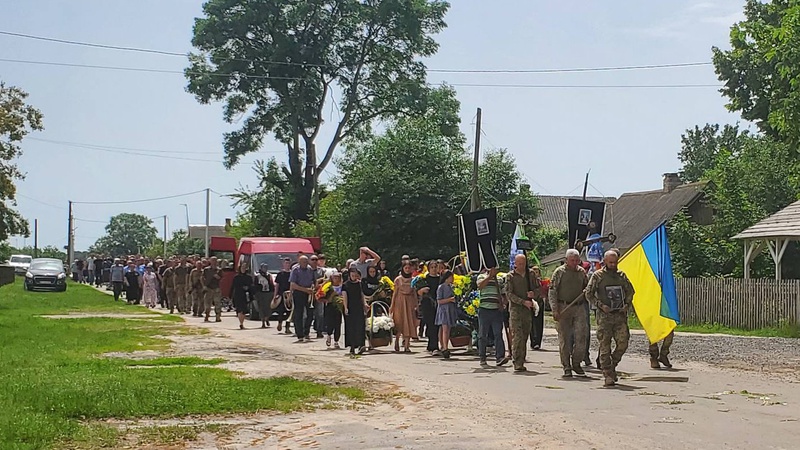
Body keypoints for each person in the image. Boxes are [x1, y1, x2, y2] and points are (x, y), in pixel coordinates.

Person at [585, 250, 635, 387]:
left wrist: (627, 304)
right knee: (604, 346)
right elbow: (588, 294)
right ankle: (607, 373)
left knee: (623, 343)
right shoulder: (598, 276)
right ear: (605, 261)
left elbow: (630, 291)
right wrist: (600, 305)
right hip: (604, 316)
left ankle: (613, 365)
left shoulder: (621, 276)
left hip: (619, 316)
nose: (613, 264)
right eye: (610, 262)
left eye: (615, 262)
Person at [549, 249, 589, 378]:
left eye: (577, 260)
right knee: (565, 338)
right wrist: (555, 309)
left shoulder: (582, 272)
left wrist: (587, 291)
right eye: (572, 260)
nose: (575, 263)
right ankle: (566, 366)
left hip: (578, 307)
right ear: (566, 260)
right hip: (563, 307)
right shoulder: (559, 272)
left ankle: (576, 363)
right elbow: (552, 291)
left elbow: (588, 289)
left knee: (581, 336)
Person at [505, 254, 540, 372]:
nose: (521, 266)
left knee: (525, 335)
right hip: (516, 309)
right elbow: (509, 294)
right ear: (515, 263)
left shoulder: (531, 275)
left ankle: (522, 359)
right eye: (519, 264)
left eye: (523, 264)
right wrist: (522, 302)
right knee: (517, 336)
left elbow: (538, 288)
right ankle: (517, 361)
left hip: (527, 310)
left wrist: (533, 294)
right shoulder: (510, 276)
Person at [476, 267, 509, 366]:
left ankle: (500, 357)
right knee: (483, 335)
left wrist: (504, 302)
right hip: (484, 309)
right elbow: (480, 286)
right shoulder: (481, 276)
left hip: (496, 310)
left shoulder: (499, 279)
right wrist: (490, 277)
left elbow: (503, 294)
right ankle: (482, 357)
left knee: (498, 334)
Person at [391, 262, 419, 353]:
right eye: (405, 268)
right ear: (403, 269)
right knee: (399, 322)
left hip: (409, 302)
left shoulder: (413, 280)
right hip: (400, 302)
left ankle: (407, 345)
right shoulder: (398, 280)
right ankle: (397, 341)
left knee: (409, 322)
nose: (407, 270)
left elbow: (415, 293)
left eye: (408, 268)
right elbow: (394, 293)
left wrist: (416, 304)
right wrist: (392, 305)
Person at [289, 255, 316, 342]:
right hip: (299, 292)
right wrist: (305, 290)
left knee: (310, 313)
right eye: (303, 262)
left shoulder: (310, 269)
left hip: (309, 293)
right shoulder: (295, 270)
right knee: (298, 314)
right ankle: (299, 334)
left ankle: (306, 332)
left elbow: (313, 281)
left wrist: (313, 288)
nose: (305, 263)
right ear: (299, 262)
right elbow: (293, 285)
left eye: (306, 261)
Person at [418, 260, 442, 355]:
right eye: (431, 267)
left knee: (436, 325)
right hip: (427, 304)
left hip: (438, 303)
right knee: (430, 324)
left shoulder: (440, 279)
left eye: (435, 267)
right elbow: (418, 291)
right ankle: (433, 346)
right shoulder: (425, 278)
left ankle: (433, 345)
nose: (434, 269)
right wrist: (422, 290)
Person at [343, 266, 368, 355]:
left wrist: (364, 304)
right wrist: (345, 307)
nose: (354, 277)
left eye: (355, 275)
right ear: (349, 275)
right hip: (350, 307)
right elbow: (344, 296)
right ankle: (352, 346)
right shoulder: (345, 285)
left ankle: (361, 345)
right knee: (351, 327)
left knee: (360, 326)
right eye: (352, 275)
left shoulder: (359, 284)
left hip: (358, 307)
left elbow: (362, 294)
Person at [435, 270, 457, 359]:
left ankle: (445, 345)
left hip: (450, 309)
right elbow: (439, 301)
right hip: (444, 309)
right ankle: (444, 347)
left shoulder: (451, 287)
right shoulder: (441, 287)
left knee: (448, 328)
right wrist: (450, 300)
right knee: (444, 328)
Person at [323, 271, 344, 349]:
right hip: (330, 306)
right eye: (334, 277)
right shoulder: (328, 287)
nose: (336, 279)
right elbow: (326, 299)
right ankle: (329, 335)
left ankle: (336, 341)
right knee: (330, 323)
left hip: (338, 307)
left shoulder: (342, 287)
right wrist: (332, 295)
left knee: (338, 324)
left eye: (338, 277)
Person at [232, 263, 254, 330]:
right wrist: (230, 296)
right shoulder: (236, 277)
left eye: (245, 267)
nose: (243, 269)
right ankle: (241, 323)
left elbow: (251, 286)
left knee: (244, 310)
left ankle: (242, 322)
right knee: (239, 309)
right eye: (242, 267)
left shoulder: (249, 277)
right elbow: (234, 287)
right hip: (238, 295)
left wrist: (249, 290)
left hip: (246, 295)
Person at [273, 258, 292, 334]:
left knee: (289, 312)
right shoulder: (280, 274)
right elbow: (277, 285)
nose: (287, 265)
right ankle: (280, 323)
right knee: (280, 311)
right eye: (286, 263)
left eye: (288, 263)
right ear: (283, 264)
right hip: (281, 294)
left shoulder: (292, 273)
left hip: (289, 295)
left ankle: (287, 328)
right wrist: (275, 295)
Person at [202, 256, 224, 323]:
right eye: (212, 260)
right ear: (210, 261)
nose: (214, 262)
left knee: (217, 303)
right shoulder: (206, 270)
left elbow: (221, 278)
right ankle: (207, 316)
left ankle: (218, 317)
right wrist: (204, 286)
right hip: (208, 288)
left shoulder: (219, 270)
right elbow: (202, 278)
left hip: (216, 288)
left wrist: (218, 277)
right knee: (207, 303)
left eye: (215, 260)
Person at [254, 263, 275, 329]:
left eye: (266, 267)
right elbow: (255, 285)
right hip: (261, 293)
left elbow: (272, 284)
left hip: (268, 293)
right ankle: (263, 321)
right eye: (264, 267)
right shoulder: (258, 276)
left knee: (269, 307)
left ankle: (267, 318)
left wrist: (273, 292)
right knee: (261, 308)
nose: (265, 269)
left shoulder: (269, 275)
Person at [529, 266, 545, 351]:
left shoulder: (541, 281)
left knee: (539, 322)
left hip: (540, 301)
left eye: (537, 271)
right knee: (532, 322)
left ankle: (538, 342)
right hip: (531, 302)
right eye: (533, 270)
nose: (535, 272)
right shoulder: (529, 280)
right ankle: (533, 341)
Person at [310, 255, 326, 339]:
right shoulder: (307, 270)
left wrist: (319, 285)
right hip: (309, 293)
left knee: (320, 314)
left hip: (318, 294)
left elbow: (324, 281)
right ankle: (306, 331)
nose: (315, 261)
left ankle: (319, 331)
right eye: (313, 259)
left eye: (316, 259)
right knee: (308, 314)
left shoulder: (321, 271)